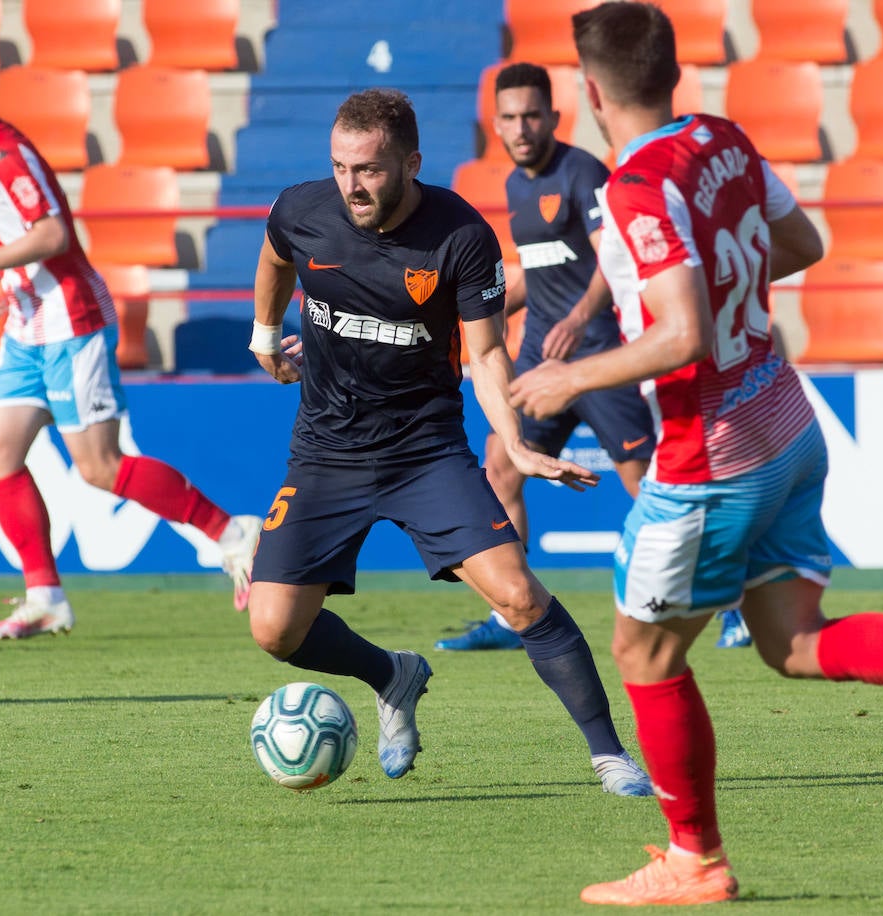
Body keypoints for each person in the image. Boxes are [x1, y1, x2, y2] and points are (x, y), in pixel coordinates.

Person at [511, 3, 883, 906]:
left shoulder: (632, 188)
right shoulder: (723, 140)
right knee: (794, 642)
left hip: (714, 457)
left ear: (589, 92)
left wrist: (568, 378)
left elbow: (682, 335)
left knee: (645, 654)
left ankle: (694, 861)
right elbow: (803, 245)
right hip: (787, 422)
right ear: (671, 71)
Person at [246, 87, 652, 796]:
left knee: (521, 597)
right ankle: (392, 675)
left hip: (423, 450)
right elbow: (278, 252)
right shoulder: (303, 209)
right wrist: (260, 333)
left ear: (411, 163)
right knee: (275, 630)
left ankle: (610, 756)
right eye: (341, 167)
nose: (352, 185)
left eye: (369, 169)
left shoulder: (461, 236)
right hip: (326, 451)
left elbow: (489, 356)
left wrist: (516, 446)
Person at [0, 57, 262, 639]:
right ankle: (46, 596)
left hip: (71, 318)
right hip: (27, 324)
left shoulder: (5, 153)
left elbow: (54, 233)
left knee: (100, 468)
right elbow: (0, 235)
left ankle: (233, 533)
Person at [434, 61, 654, 653]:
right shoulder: (514, 187)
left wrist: (579, 318)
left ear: (555, 117)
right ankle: (515, 615)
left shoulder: (583, 172)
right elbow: (543, 269)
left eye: (532, 114)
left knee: (651, 489)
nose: (521, 127)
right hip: (538, 360)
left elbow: (614, 259)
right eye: (509, 117)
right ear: (496, 125)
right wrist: (483, 313)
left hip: (601, 356)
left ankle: (730, 603)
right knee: (501, 466)